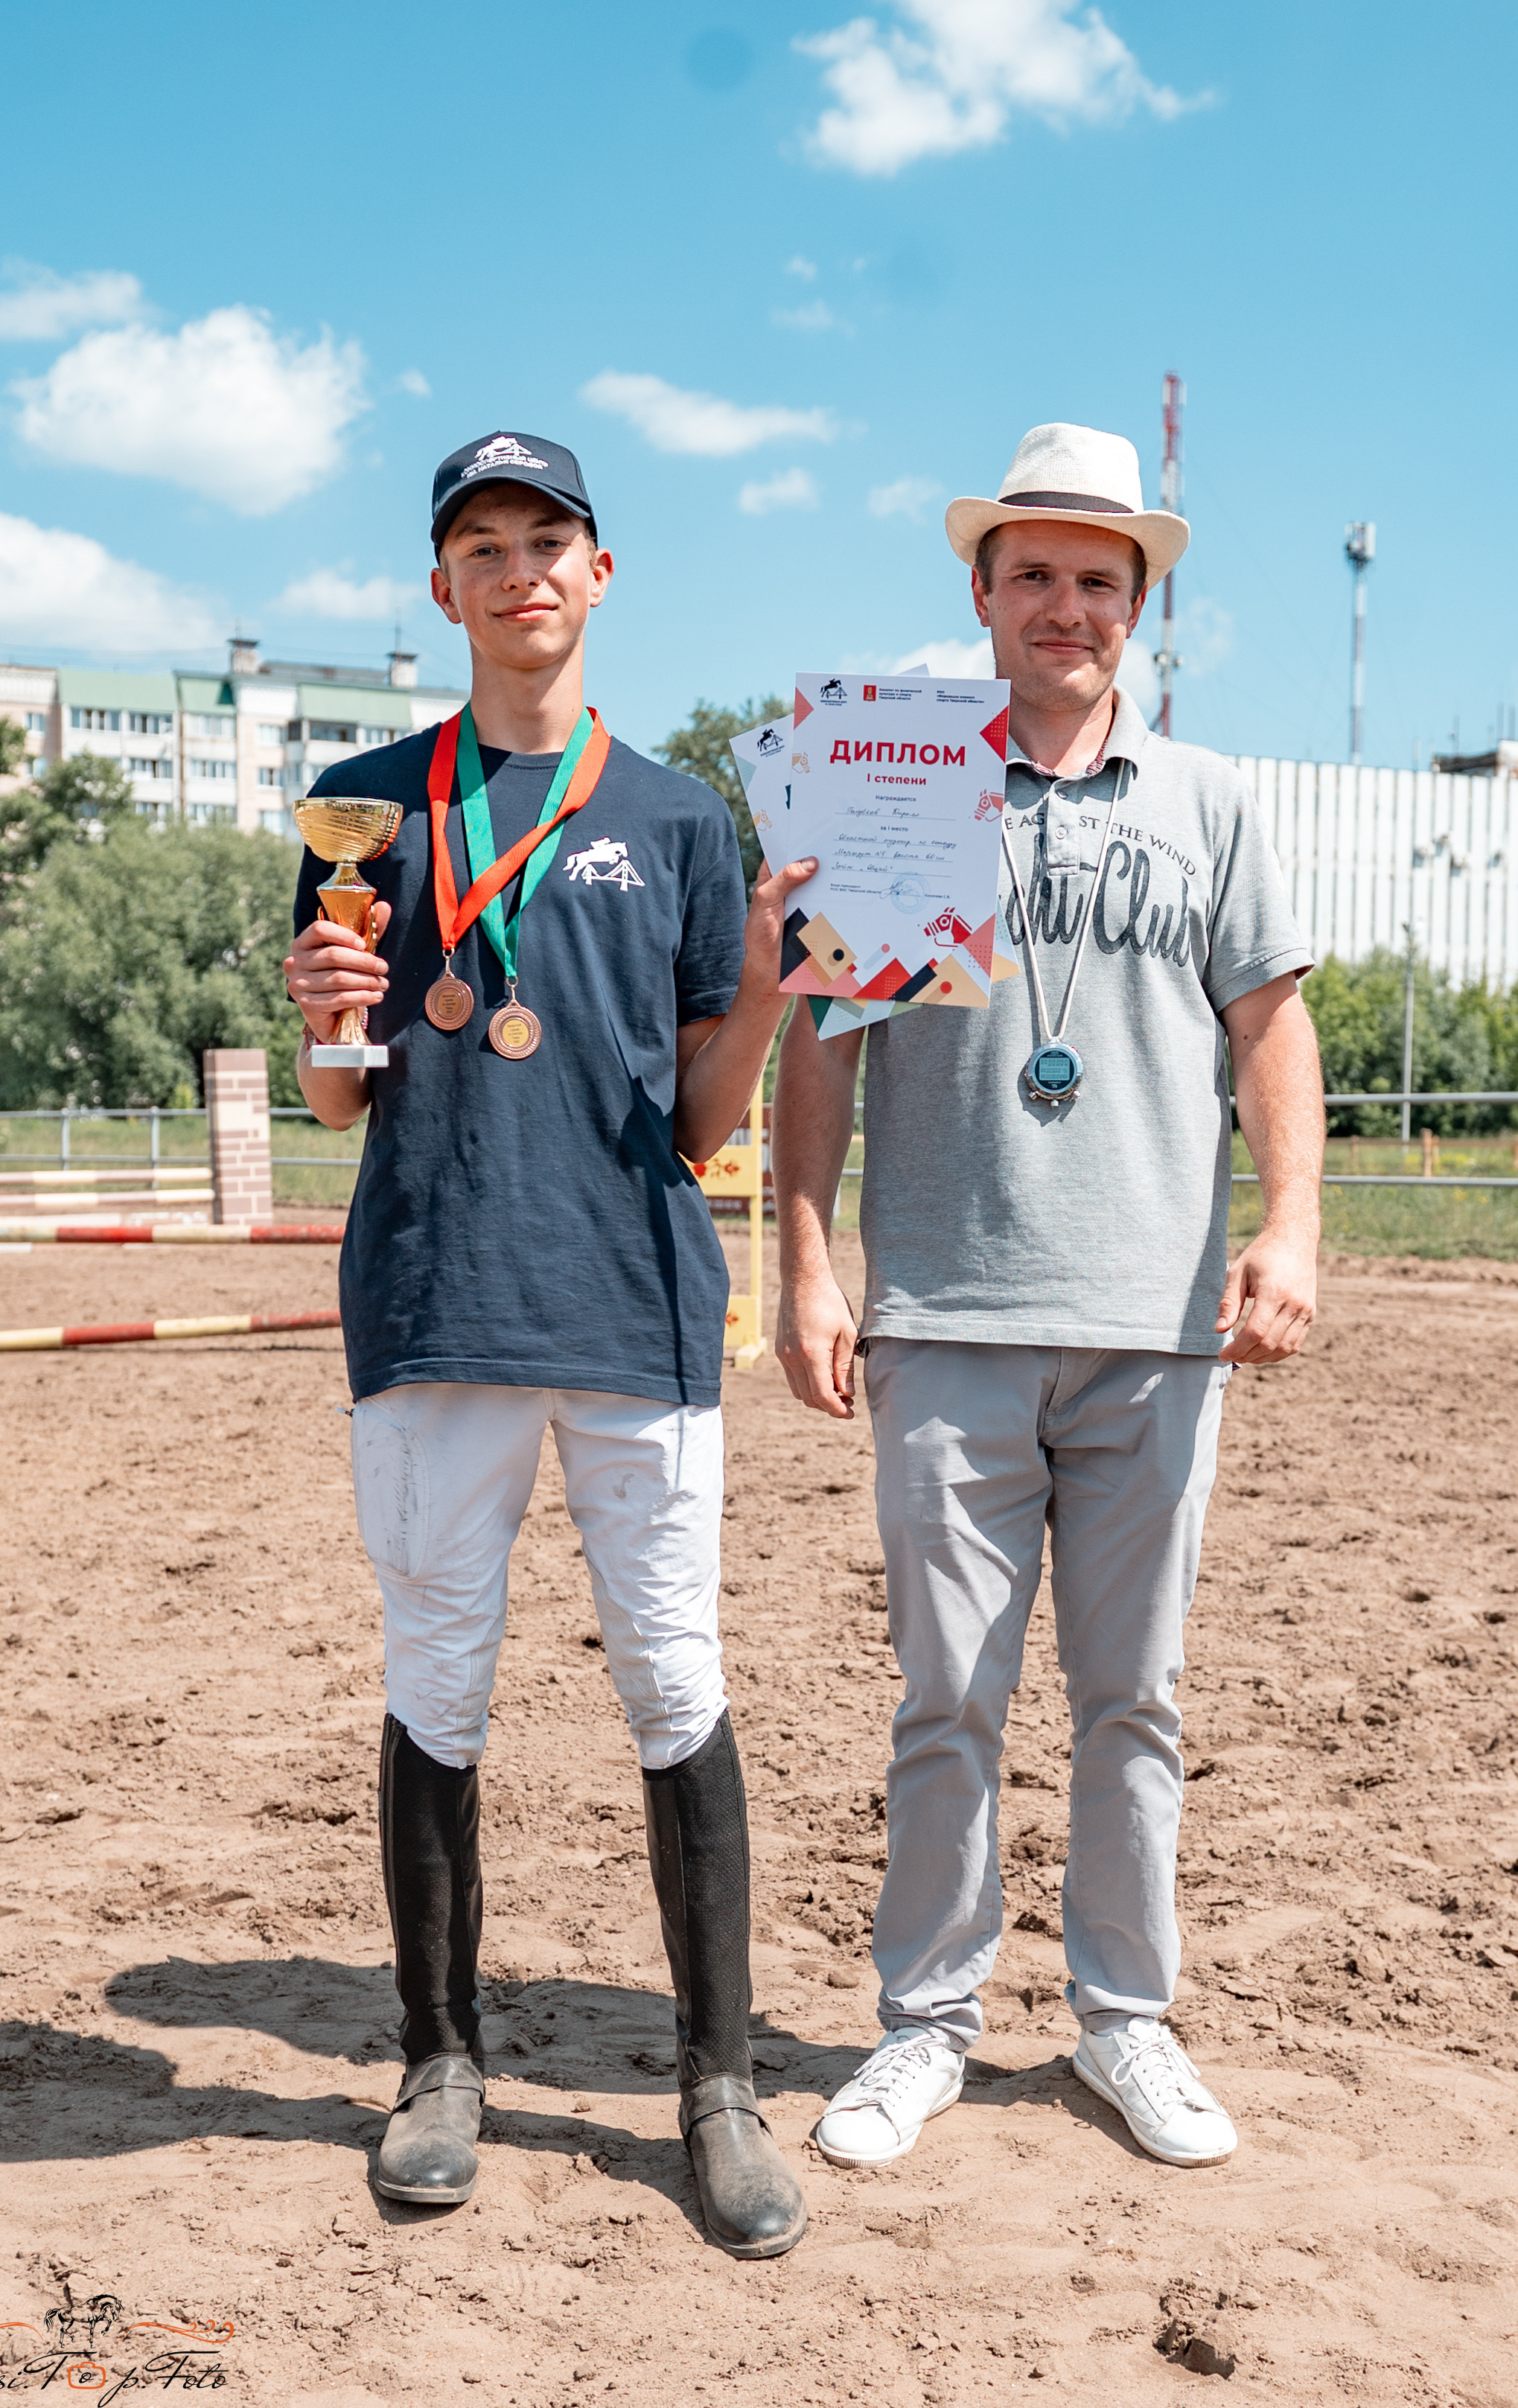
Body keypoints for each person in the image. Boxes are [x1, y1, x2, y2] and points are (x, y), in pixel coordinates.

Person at [771, 421, 1325, 2174]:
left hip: (1157, 1323)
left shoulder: (1215, 800)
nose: (1066, 604)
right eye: (1035, 575)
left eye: (1100, 579)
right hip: (944, 1307)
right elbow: (822, 1038)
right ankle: (926, 2027)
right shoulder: (895, 781)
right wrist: (800, 1257)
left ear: (1138, 602)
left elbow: (1271, 1028)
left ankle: (1122, 2023)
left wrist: (1295, 1225)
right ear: (983, 592)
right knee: (946, 1700)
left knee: (1132, 1698)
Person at [283, 429, 813, 2257]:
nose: (518, 571)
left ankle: (721, 2088)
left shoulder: (672, 816)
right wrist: (326, 1017)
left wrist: (756, 976)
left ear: (601, 574)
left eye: (549, 540)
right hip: (434, 1299)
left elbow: (705, 1127)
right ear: (444, 591)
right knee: (440, 1678)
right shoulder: (359, 804)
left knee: (676, 1680)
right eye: (481, 547)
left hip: (633, 1304)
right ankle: (439, 2064)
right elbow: (338, 1103)